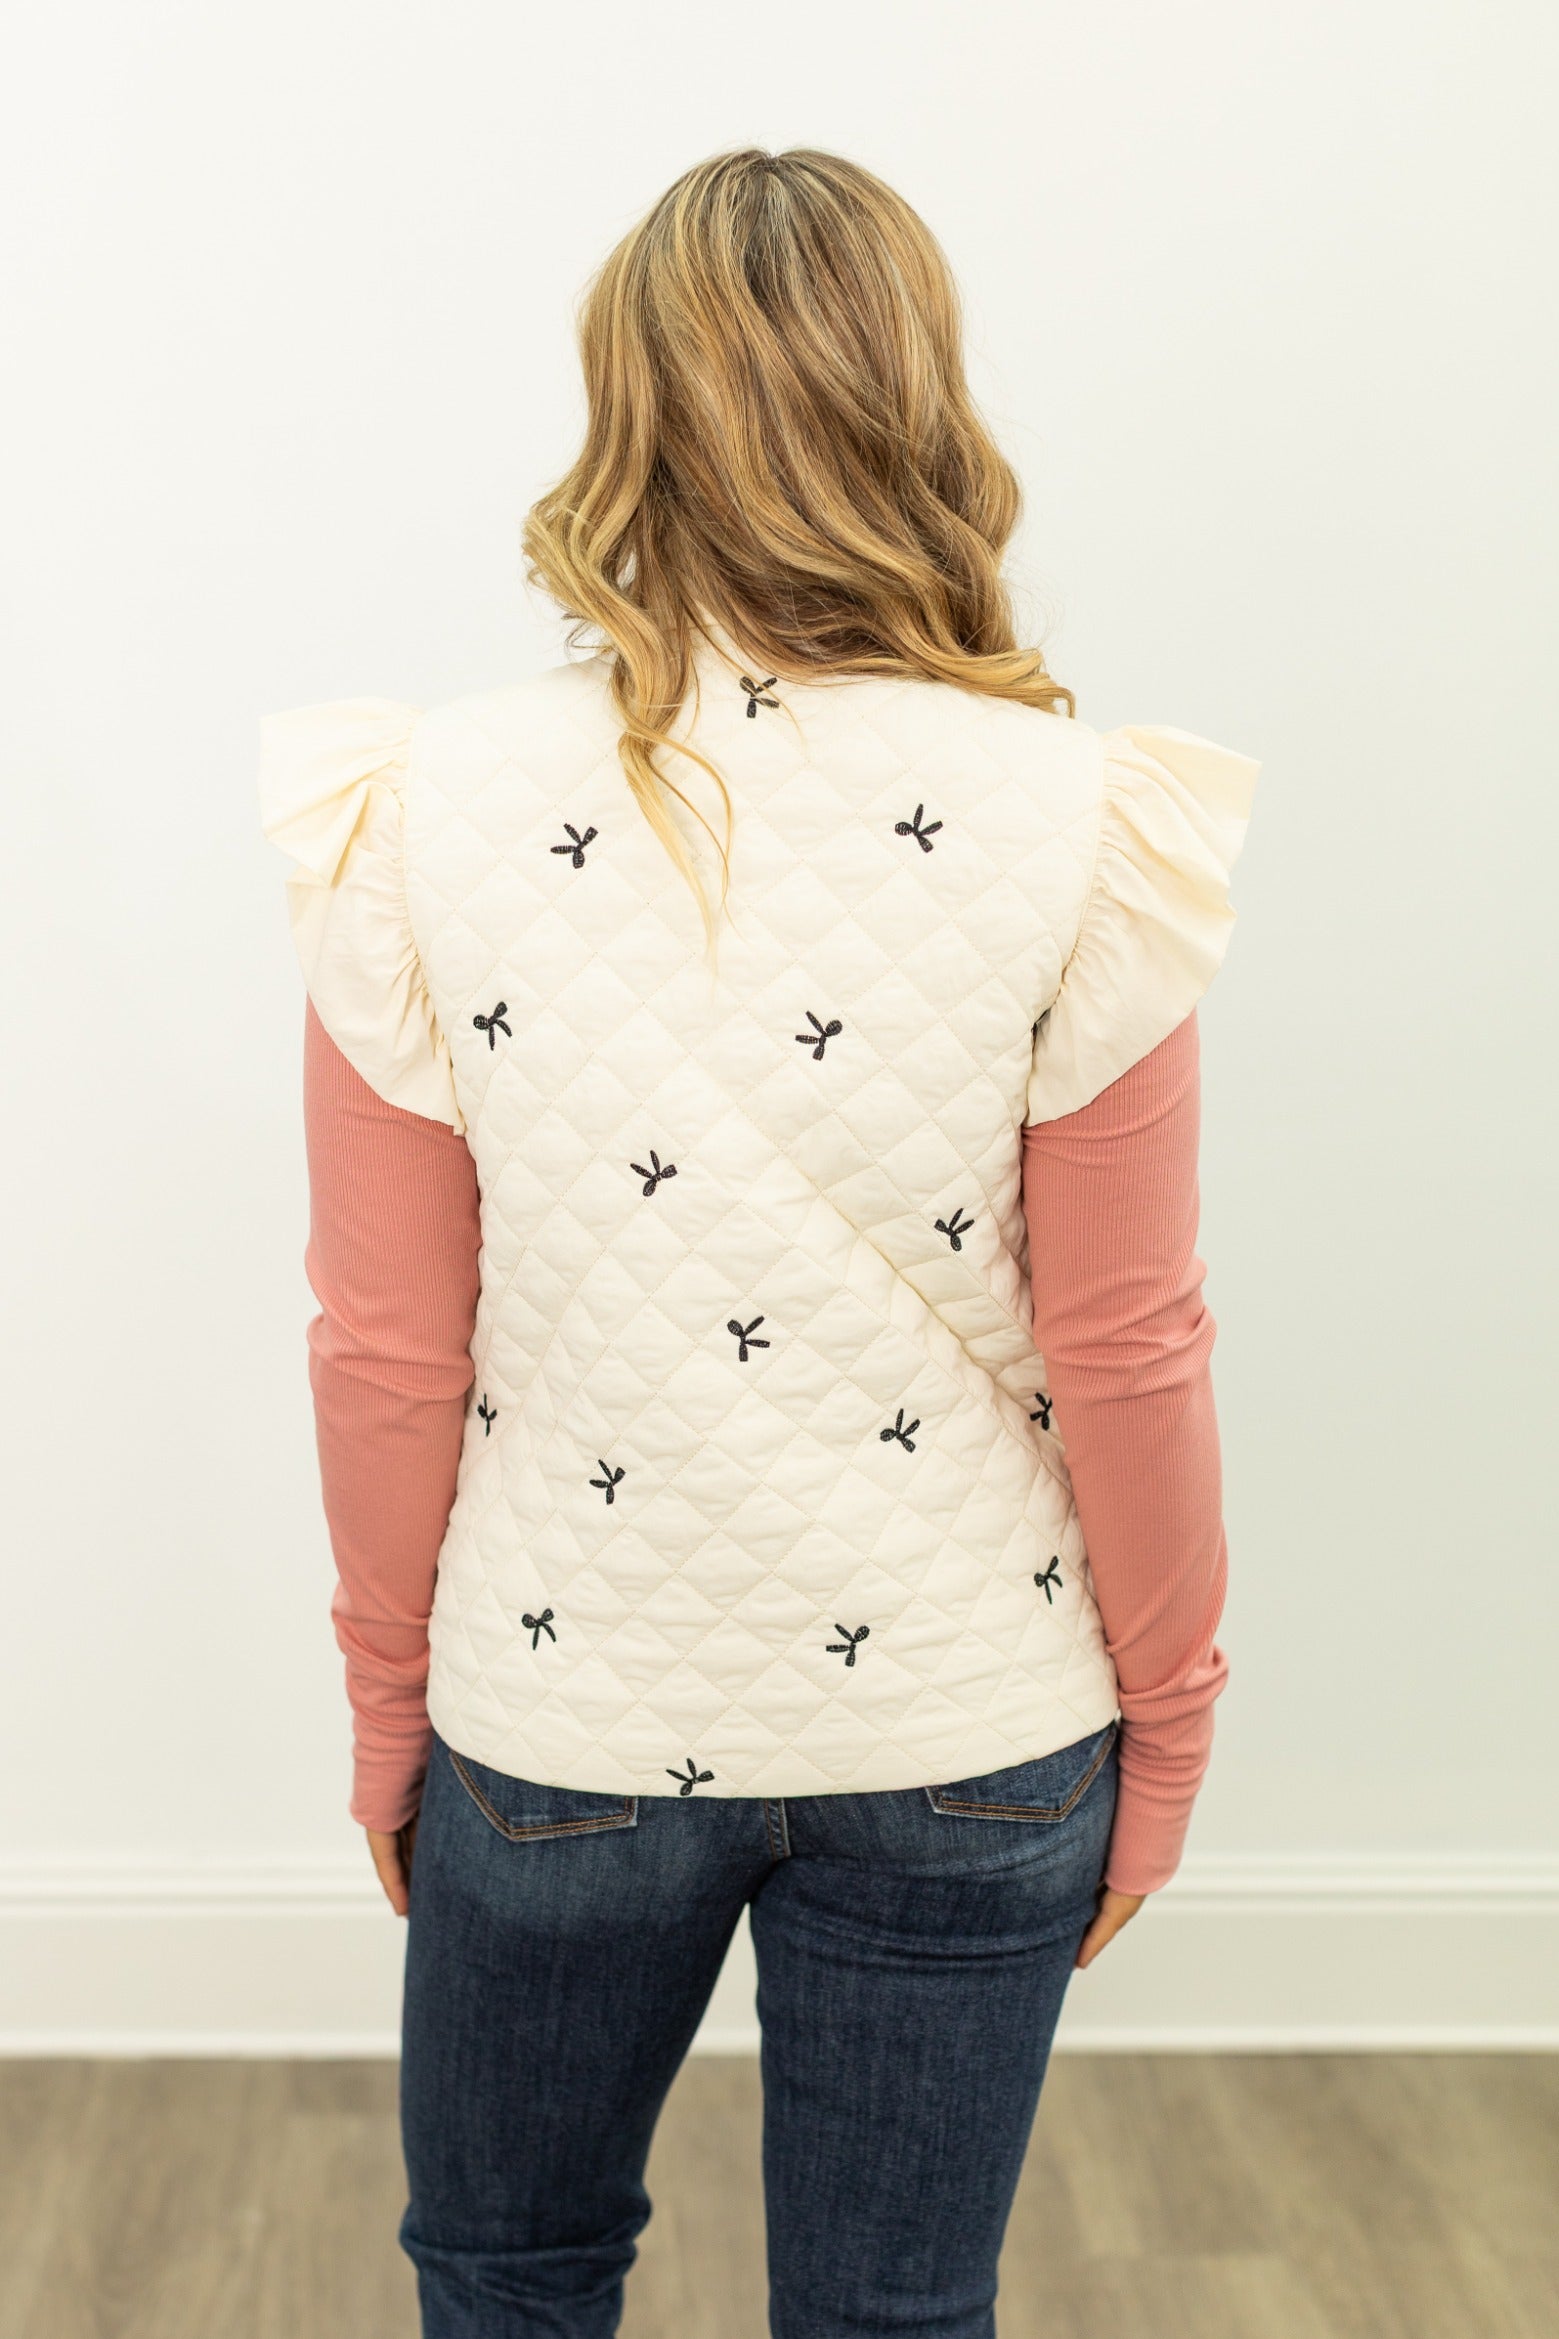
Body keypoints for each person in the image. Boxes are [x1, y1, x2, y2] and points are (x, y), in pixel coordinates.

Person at [259, 145, 1260, 2339]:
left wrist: (387, 1707)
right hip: (974, 1719)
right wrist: (1172, 1725)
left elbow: (386, 1347)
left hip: (563, 1711)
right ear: (920, 400)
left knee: (511, 2275)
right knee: (896, 2316)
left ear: (625, 406)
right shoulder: (1079, 822)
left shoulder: (422, 813)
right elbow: (1131, 1343)